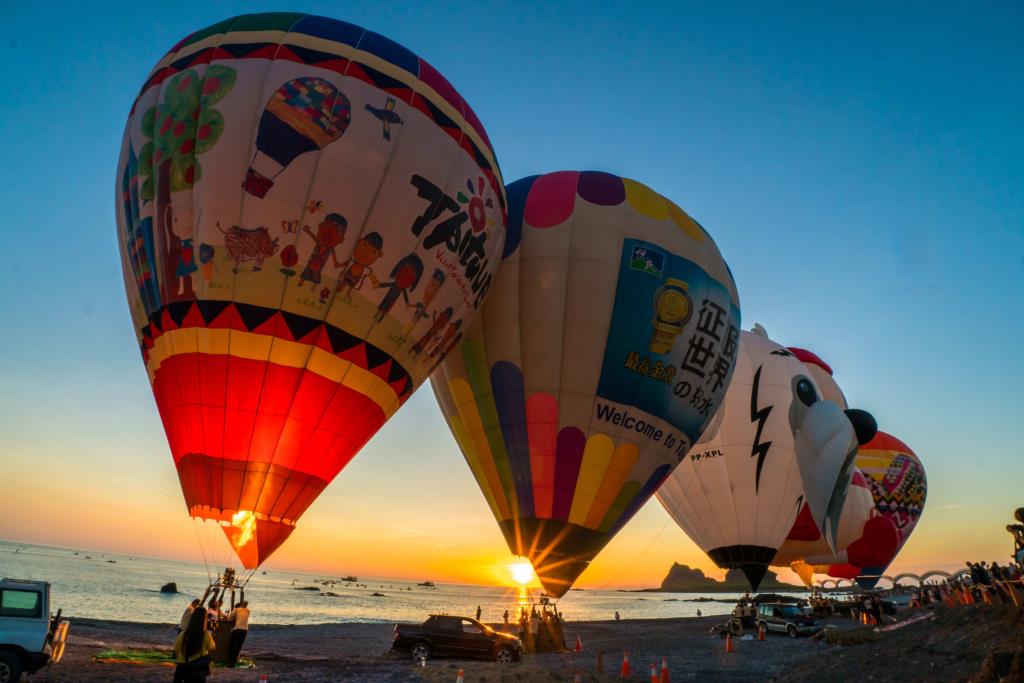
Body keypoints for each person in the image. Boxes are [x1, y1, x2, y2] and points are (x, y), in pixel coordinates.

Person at [173, 607, 215, 683]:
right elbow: (212, 647)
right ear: (204, 619)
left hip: (182, 667)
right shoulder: (206, 634)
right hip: (198, 668)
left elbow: (176, 648)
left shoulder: (183, 634)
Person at [225, 600, 250, 667]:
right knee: (239, 646)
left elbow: (229, 619)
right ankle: (234, 661)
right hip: (245, 629)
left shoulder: (237, 609)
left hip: (237, 629)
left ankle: (230, 660)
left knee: (232, 644)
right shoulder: (248, 610)